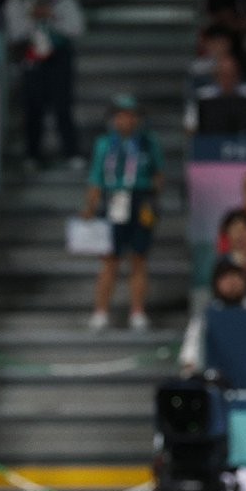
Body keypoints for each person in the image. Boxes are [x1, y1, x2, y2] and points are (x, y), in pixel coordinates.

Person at [83, 94, 165, 331]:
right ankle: (100, 311)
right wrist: (90, 206)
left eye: (130, 116)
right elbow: (96, 178)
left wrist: (153, 201)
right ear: (113, 119)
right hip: (113, 200)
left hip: (140, 200)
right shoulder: (104, 144)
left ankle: (137, 312)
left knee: (139, 258)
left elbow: (158, 174)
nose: (126, 120)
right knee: (109, 260)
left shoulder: (149, 142)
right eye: (120, 115)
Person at [5, 0, 85, 171]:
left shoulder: (65, 1)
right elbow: (15, 33)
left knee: (62, 107)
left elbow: (76, 29)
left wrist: (53, 15)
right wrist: (31, 18)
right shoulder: (25, 2)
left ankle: (72, 152)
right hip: (34, 58)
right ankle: (32, 154)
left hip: (60, 58)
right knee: (33, 108)